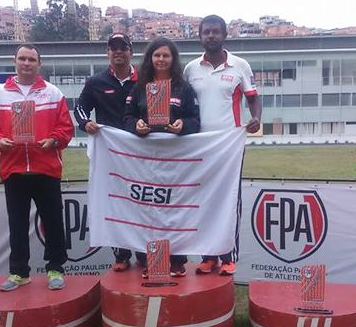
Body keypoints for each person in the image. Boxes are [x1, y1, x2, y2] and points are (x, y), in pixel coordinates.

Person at [0, 43, 74, 292]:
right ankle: (19, 272)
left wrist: (53, 140)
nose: (27, 63)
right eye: (22, 59)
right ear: (15, 62)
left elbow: (66, 128)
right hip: (14, 169)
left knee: (53, 222)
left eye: (32, 59)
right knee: (17, 223)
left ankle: (56, 268)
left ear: (39, 64)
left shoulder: (53, 93)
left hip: (47, 168)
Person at [183, 14, 262, 276]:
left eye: (216, 32)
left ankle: (228, 255)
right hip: (198, 147)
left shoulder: (240, 66)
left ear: (225, 35)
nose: (211, 36)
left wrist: (256, 118)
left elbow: (253, 99)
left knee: (229, 201)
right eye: (206, 32)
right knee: (203, 200)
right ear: (200, 36)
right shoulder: (190, 69)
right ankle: (208, 256)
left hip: (229, 146)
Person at [122, 37, 200, 276]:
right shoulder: (139, 87)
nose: (161, 59)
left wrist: (182, 125)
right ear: (150, 58)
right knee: (148, 210)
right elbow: (125, 118)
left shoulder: (184, 88)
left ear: (173, 59)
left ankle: (176, 261)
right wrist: (137, 125)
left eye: (166, 55)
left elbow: (196, 121)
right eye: (157, 55)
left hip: (176, 162)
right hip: (145, 162)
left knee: (173, 210)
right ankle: (147, 260)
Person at [74, 33, 138, 272]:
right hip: (109, 154)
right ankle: (120, 254)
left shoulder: (144, 80)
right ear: (108, 53)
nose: (118, 52)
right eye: (114, 48)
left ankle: (143, 251)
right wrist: (85, 123)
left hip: (139, 155)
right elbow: (79, 108)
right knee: (114, 203)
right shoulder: (95, 82)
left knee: (139, 200)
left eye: (123, 48)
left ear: (131, 51)